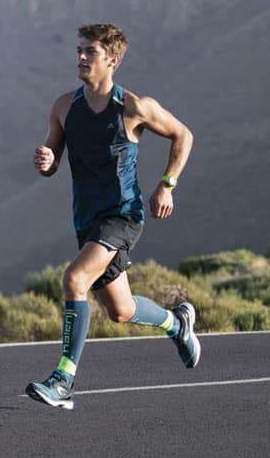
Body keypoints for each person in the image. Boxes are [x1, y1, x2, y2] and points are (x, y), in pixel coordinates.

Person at [25, 23, 200, 410]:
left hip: (122, 216)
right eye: (79, 51)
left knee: (74, 280)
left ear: (113, 60)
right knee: (121, 311)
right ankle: (177, 322)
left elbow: (183, 135)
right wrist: (47, 160)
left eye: (90, 52)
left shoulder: (134, 107)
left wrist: (167, 183)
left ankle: (64, 380)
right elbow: (51, 163)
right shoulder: (64, 107)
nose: (82, 58)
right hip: (86, 219)